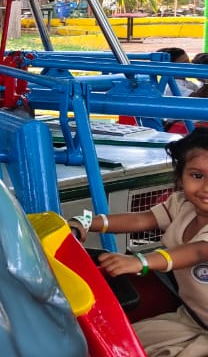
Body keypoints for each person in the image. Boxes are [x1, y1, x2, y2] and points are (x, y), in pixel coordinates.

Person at [70, 129, 208, 356]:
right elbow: (141, 219)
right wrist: (87, 222)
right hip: (192, 318)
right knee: (118, 343)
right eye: (197, 176)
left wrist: (140, 261)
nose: (206, 188)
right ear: (180, 177)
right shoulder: (181, 205)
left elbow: (198, 252)